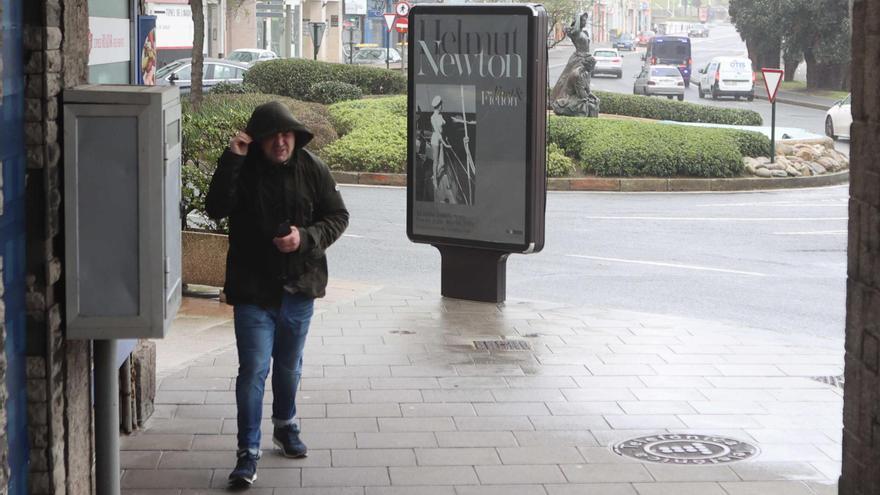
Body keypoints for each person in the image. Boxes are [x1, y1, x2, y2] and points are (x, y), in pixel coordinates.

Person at [205, 101, 349, 488]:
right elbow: (215, 207)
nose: (282, 142)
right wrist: (232, 159)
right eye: (273, 136)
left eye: (287, 135)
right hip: (253, 289)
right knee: (253, 371)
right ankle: (246, 452)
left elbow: (338, 216)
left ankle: (285, 425)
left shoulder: (312, 168)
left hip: (299, 286)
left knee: (289, 366)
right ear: (259, 140)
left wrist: (306, 238)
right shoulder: (243, 167)